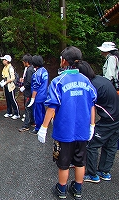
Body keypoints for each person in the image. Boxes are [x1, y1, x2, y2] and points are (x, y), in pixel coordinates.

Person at [36, 46, 97, 199]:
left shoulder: (58, 81)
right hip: (82, 130)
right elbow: (92, 104)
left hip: (65, 131)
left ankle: (62, 190)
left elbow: (52, 107)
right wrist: (92, 125)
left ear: (64, 61)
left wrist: (43, 127)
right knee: (80, 161)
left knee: (64, 163)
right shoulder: (86, 81)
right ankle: (77, 189)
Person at [74, 61, 119, 183]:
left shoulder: (91, 86)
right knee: (110, 146)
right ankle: (104, 172)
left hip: (110, 119)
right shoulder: (99, 79)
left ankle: (92, 174)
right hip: (116, 116)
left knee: (91, 144)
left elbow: (88, 107)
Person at [27, 55, 48, 134]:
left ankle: (38, 128)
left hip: (38, 96)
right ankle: (43, 124)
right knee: (42, 111)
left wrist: (33, 98)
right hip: (44, 94)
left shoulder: (36, 74)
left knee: (37, 112)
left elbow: (35, 88)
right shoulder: (44, 70)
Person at [0, 55, 20, 119]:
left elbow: (12, 78)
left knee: (12, 99)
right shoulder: (5, 67)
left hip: (10, 86)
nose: (3, 61)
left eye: (4, 60)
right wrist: (3, 81)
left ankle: (17, 113)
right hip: (6, 86)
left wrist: (6, 82)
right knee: (7, 99)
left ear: (7, 61)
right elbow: (5, 76)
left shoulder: (10, 68)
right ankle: (9, 112)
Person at [19, 54, 35, 131]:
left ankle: (26, 125)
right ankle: (32, 121)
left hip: (29, 92)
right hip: (31, 92)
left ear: (27, 62)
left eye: (23, 62)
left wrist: (24, 87)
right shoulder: (32, 69)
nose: (23, 63)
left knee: (27, 108)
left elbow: (29, 82)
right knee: (31, 107)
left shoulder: (29, 70)